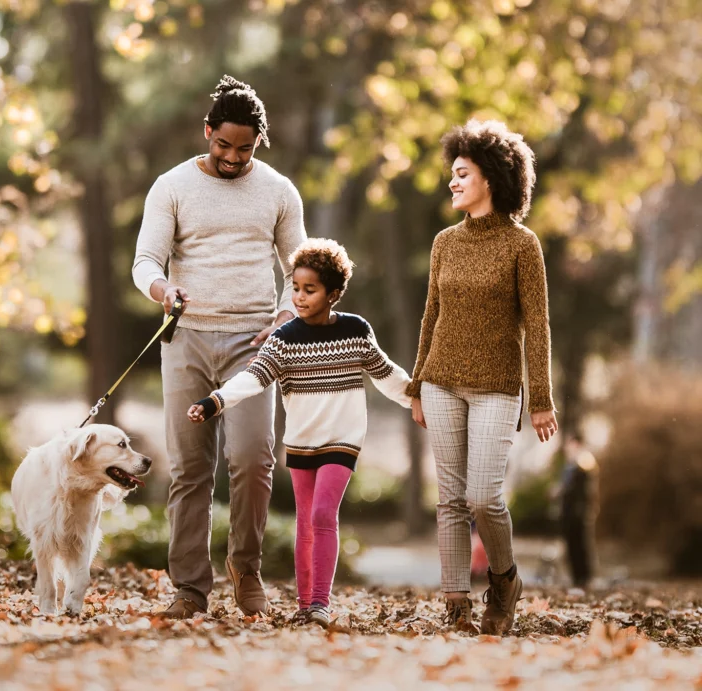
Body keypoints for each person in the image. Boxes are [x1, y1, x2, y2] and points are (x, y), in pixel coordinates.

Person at [132, 76, 307, 619]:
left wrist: (284, 316)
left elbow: (300, 268)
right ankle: (189, 586)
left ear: (259, 142)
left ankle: (247, 569)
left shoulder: (278, 191)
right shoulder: (172, 186)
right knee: (189, 468)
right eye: (223, 145)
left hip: (253, 346)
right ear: (207, 132)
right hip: (186, 339)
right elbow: (145, 263)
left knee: (253, 458)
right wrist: (165, 290)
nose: (232, 157)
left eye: (244, 148)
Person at [187, 239, 413, 628]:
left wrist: (419, 399)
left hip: (342, 439)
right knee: (306, 521)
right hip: (301, 441)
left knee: (324, 513)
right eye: (295, 288)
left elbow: (386, 374)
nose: (300, 297)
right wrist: (215, 401)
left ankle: (320, 604)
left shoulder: (355, 330)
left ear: (334, 294)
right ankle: (306, 606)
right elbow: (254, 378)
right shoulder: (285, 338)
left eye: (310, 290)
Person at [407, 119, 559, 636]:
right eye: (452, 173)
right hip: (441, 382)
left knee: (483, 498)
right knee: (449, 498)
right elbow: (431, 316)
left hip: (497, 387)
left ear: (490, 179)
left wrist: (540, 397)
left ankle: (504, 578)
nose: (452, 182)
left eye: (461, 174)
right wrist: (416, 384)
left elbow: (537, 326)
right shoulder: (444, 242)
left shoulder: (523, 246)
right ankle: (456, 605)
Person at [558, 432, 598, 588]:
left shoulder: (583, 460)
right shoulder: (570, 463)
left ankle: (584, 577)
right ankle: (576, 576)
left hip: (579, 511)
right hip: (569, 511)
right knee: (572, 544)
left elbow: (581, 487)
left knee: (581, 544)